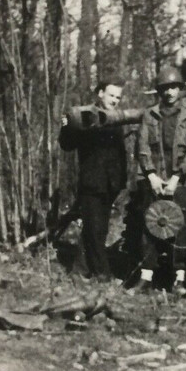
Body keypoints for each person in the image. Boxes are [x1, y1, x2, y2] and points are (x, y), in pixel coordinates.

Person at [133, 66, 186, 295]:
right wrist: (152, 175)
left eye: (174, 87)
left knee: (178, 227)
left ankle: (178, 279)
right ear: (159, 91)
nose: (170, 92)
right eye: (165, 88)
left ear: (181, 90)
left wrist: (176, 177)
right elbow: (142, 146)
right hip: (153, 179)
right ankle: (146, 277)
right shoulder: (150, 114)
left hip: (180, 181)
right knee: (150, 225)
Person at [58, 82, 127, 282]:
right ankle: (103, 273)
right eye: (111, 95)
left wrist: (120, 182)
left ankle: (80, 270)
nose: (114, 100)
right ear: (100, 93)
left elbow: (121, 153)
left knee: (96, 227)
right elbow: (66, 145)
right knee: (96, 229)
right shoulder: (85, 116)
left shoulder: (118, 119)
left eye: (117, 97)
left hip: (111, 184)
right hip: (92, 182)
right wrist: (65, 125)